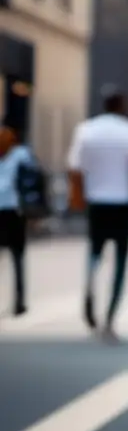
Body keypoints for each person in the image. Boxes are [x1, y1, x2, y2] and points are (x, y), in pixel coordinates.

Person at [66, 87, 128, 342]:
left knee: (94, 252)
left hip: (96, 202)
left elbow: (75, 170)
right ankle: (110, 318)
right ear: (122, 105)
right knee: (121, 261)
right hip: (122, 203)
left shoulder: (86, 131)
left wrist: (79, 198)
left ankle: (90, 287)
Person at [0, 121, 35, 317]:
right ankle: (19, 300)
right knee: (17, 258)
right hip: (14, 210)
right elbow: (32, 179)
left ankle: (20, 300)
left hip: (10, 209)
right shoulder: (22, 154)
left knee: (15, 258)